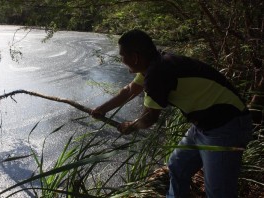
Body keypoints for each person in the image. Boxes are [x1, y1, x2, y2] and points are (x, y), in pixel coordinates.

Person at [91, 29, 253, 198]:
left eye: (123, 55)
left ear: (135, 57)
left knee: (219, 192)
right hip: (203, 124)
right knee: (178, 166)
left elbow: (150, 118)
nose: (122, 60)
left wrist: (130, 126)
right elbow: (130, 90)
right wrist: (102, 109)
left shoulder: (157, 74)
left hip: (227, 126)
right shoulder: (154, 65)